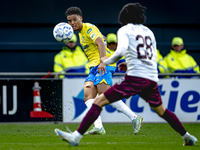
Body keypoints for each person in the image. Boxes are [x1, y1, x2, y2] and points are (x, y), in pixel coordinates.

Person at [54, 3, 198, 146]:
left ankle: (77, 137)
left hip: (132, 76)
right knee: (162, 110)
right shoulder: (148, 31)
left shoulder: (123, 30)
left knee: (100, 100)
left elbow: (119, 50)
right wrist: (128, 64)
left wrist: (106, 61)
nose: (72, 23)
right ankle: (187, 136)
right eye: (69, 20)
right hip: (150, 77)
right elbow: (149, 55)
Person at [60, 6, 143, 135]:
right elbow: (101, 39)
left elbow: (100, 42)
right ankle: (98, 126)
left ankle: (134, 117)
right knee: (88, 96)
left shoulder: (88, 28)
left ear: (80, 18)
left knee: (105, 94)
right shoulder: (82, 33)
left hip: (103, 64)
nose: (72, 23)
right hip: (94, 66)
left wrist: (103, 60)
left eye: (74, 19)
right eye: (69, 21)